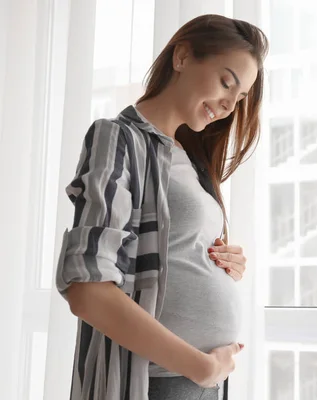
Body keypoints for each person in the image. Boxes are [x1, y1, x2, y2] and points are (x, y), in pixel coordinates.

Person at [55, 14, 268, 400]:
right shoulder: (118, 138)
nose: (228, 105)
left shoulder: (189, 158)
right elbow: (86, 287)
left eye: (238, 99)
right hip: (158, 381)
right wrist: (199, 366)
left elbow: (168, 254)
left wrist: (219, 263)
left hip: (201, 382)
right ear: (182, 57)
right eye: (226, 83)